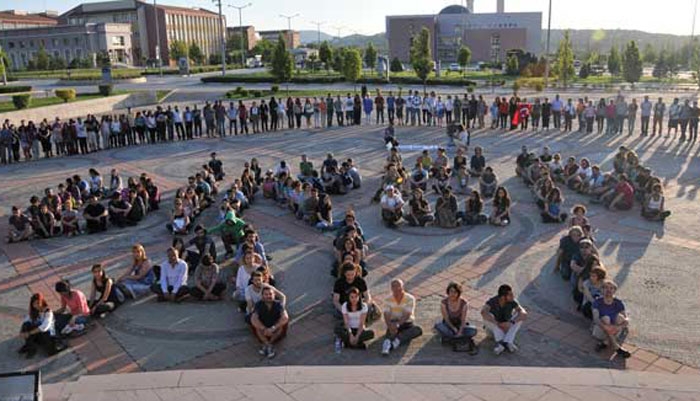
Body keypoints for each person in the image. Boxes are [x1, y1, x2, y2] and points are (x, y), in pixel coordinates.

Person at [481, 284, 528, 355]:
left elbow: (524, 313)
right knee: (488, 316)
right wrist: (498, 324)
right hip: (493, 330)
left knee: (519, 317)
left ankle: (504, 343)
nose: (513, 296)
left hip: (506, 327)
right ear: (503, 297)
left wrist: (511, 323)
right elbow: (483, 312)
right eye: (510, 295)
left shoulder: (512, 301)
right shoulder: (493, 301)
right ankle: (506, 342)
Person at [381, 279, 423, 356]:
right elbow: (386, 314)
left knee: (418, 330)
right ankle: (387, 344)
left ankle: (397, 340)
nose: (396, 288)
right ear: (391, 288)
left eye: (398, 286)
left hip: (406, 323)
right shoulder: (387, 299)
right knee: (391, 331)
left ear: (402, 287)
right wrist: (390, 326)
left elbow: (407, 314)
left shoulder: (410, 298)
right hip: (393, 322)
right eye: (394, 286)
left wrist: (398, 324)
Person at [592, 280, 631, 358]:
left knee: (620, 318)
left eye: (611, 288)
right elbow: (596, 318)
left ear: (614, 290)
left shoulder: (618, 302)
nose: (608, 290)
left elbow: (626, 319)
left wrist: (619, 327)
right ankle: (617, 347)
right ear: (602, 290)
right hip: (600, 330)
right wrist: (605, 326)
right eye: (606, 288)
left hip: (614, 330)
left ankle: (605, 342)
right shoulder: (597, 301)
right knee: (606, 318)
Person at [435, 282, 477, 353]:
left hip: (460, 324)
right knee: (438, 325)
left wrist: (460, 331)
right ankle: (457, 338)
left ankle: (451, 339)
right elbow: (446, 319)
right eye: (451, 291)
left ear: (458, 293)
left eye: (455, 292)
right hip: (448, 325)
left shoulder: (464, 303)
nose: (453, 294)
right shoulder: (444, 302)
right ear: (448, 292)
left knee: (473, 330)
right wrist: (453, 328)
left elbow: (463, 320)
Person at [251, 285, 289, 358]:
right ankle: (268, 345)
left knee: (282, 325)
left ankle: (268, 344)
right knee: (256, 327)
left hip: (275, 328)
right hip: (264, 328)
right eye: (266, 294)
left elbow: (285, 317)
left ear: (274, 295)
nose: (268, 296)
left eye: (270, 294)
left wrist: (273, 328)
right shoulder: (258, 305)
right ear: (262, 296)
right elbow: (253, 318)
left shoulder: (278, 304)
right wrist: (263, 328)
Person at [18, 293, 61, 358]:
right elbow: (26, 320)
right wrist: (22, 332)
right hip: (37, 333)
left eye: (38, 303)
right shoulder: (33, 311)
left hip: (47, 335)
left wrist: (29, 333)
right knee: (26, 325)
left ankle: (45, 346)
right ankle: (30, 347)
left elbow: (44, 327)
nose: (36, 306)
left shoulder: (48, 312)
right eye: (34, 304)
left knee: (51, 352)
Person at [335, 287, 375, 351]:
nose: (354, 299)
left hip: (359, 329)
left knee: (371, 333)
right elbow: (346, 322)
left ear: (359, 297)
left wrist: (357, 336)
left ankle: (349, 343)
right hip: (349, 329)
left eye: (356, 297)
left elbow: (362, 323)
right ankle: (358, 344)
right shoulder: (345, 306)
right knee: (337, 329)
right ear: (349, 297)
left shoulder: (363, 306)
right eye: (352, 297)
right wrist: (351, 335)